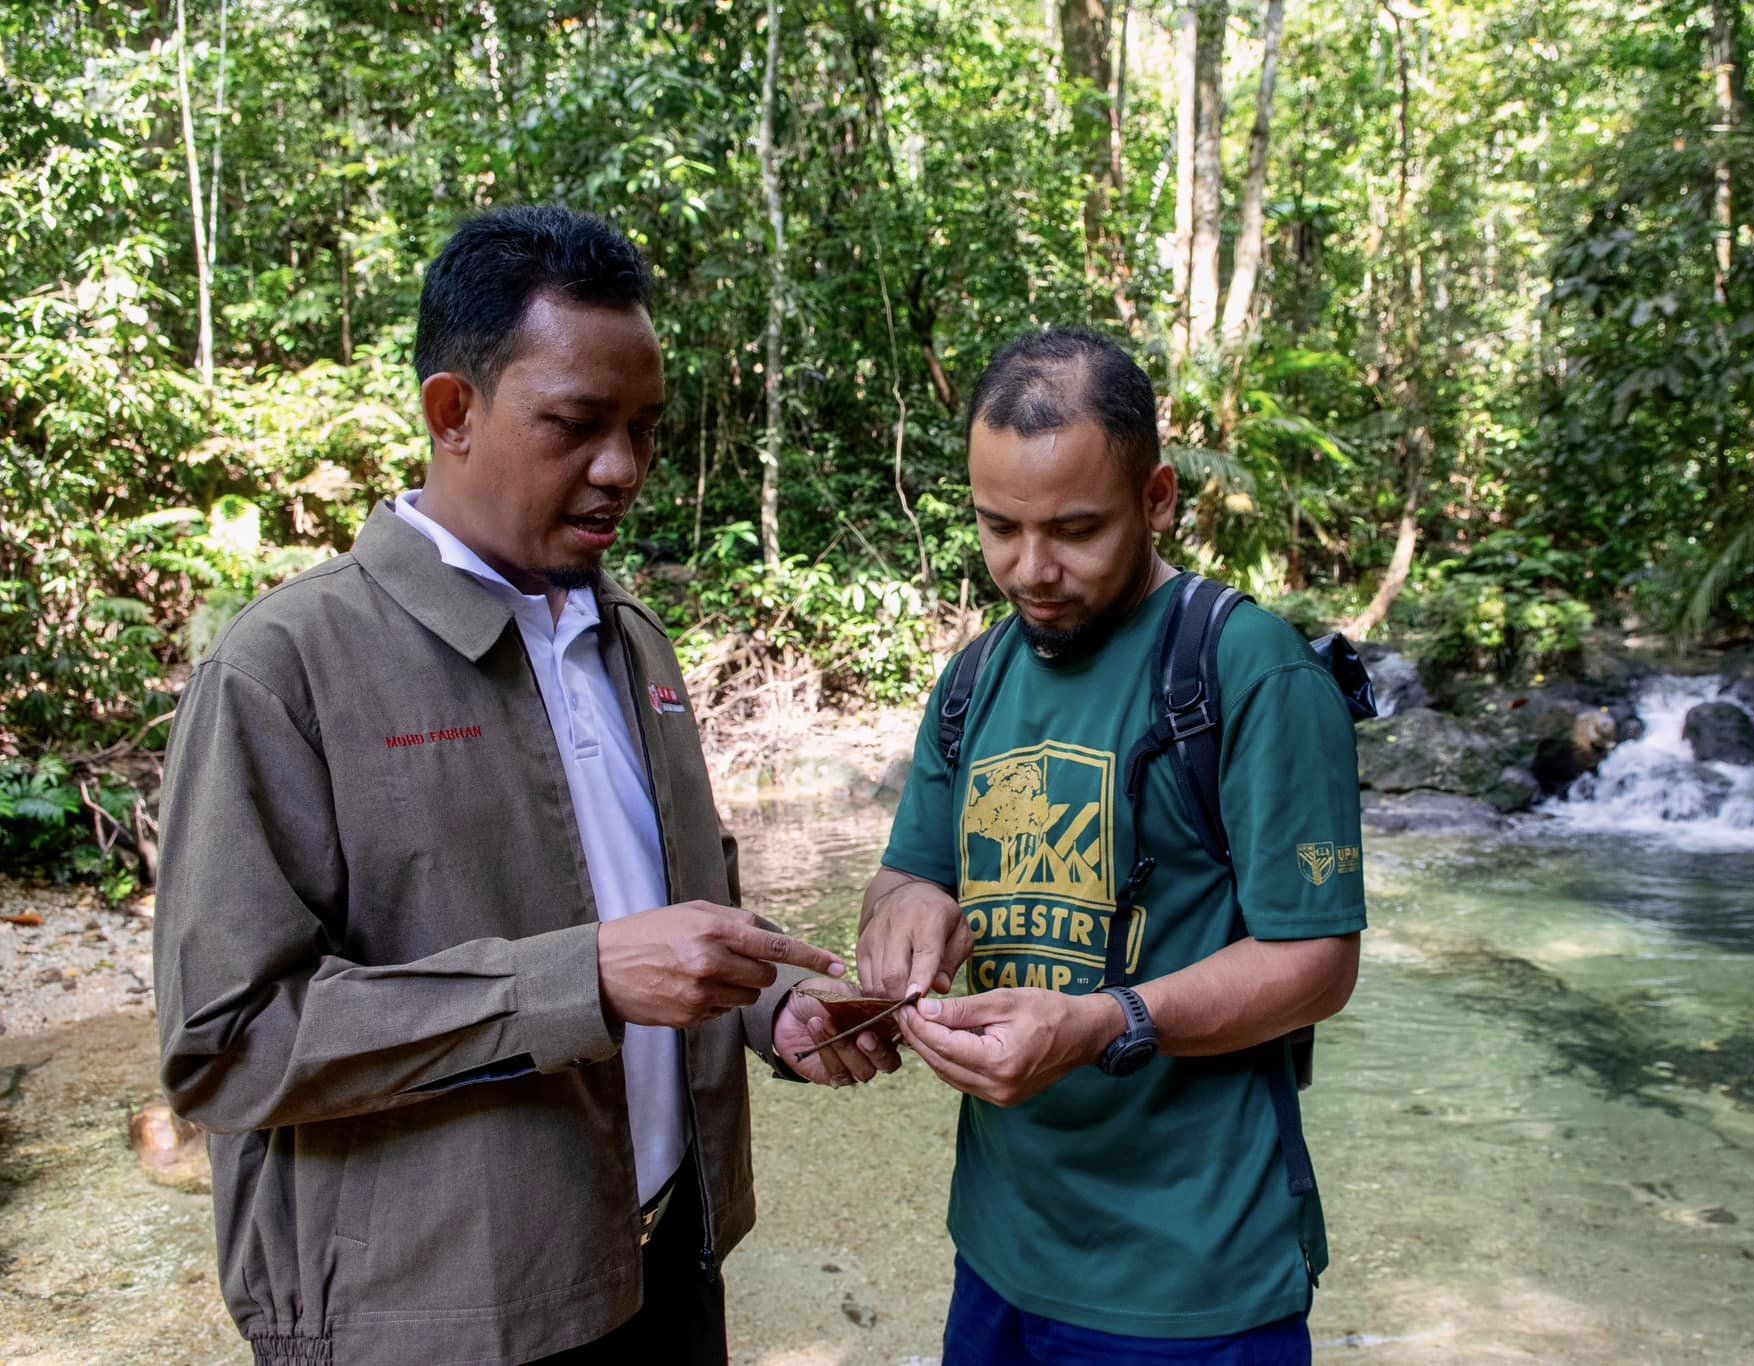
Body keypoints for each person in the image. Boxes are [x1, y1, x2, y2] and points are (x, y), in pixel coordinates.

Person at [153, 204, 895, 1366]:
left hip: (666, 1271)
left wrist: (770, 1007)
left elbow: (678, 909)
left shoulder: (631, 642)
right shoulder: (283, 670)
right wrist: (579, 979)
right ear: (452, 411)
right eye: (577, 424)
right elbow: (226, 1044)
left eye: (643, 428)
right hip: (437, 1328)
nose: (622, 468)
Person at [856, 326, 1366, 1363]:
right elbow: (907, 873)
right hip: (997, 1249)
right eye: (999, 527)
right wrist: (902, 919)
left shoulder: (1251, 672)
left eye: (1075, 529)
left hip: (1191, 1279)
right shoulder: (973, 680)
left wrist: (1103, 1022)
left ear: (1157, 497)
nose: (1031, 569)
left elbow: (1318, 964)